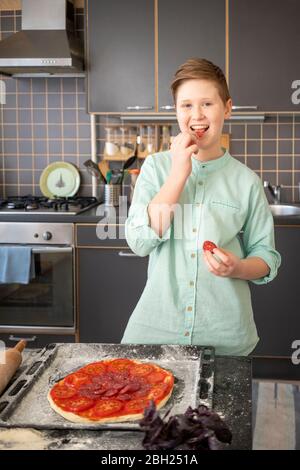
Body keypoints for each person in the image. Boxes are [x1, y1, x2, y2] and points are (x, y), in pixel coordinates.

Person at [121, 58, 281, 355]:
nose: (197, 115)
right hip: (158, 333)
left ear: (227, 108)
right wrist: (179, 173)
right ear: (177, 111)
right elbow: (140, 242)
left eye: (207, 103)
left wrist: (239, 267)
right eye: (186, 105)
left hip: (225, 337)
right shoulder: (156, 168)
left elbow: (266, 256)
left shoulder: (246, 181)